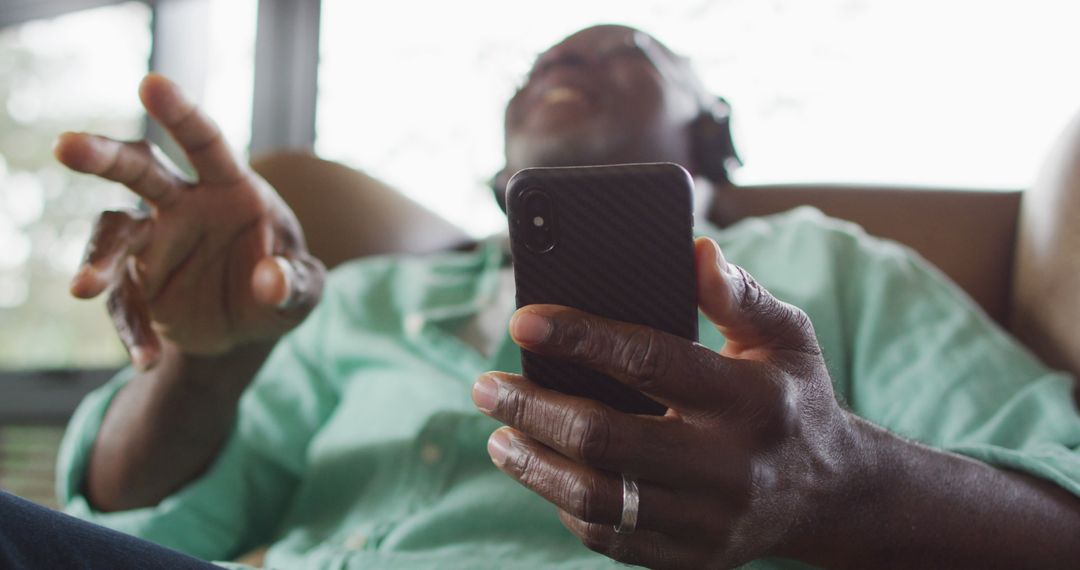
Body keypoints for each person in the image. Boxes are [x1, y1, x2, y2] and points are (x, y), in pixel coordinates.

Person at [27, 24, 1080, 569]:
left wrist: (842, 484)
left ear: (712, 134)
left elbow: (1065, 510)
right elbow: (146, 524)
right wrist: (209, 361)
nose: (561, 59)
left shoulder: (834, 265)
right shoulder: (361, 300)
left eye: (622, 50)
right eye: (536, 62)